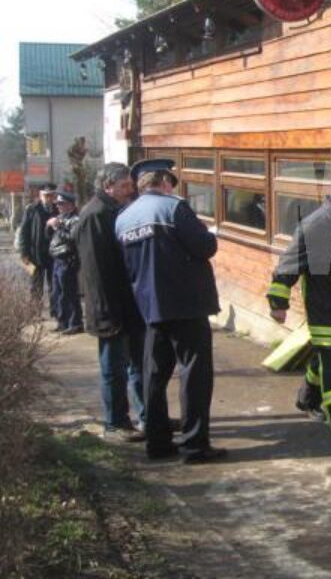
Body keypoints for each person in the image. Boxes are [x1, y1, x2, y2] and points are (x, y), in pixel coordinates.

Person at [115, 158, 226, 464]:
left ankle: (157, 442)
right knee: (194, 375)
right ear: (164, 182)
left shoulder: (123, 218)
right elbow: (205, 247)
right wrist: (208, 233)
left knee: (154, 376)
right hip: (187, 306)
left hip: (150, 309)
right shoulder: (174, 208)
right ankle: (195, 446)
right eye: (170, 181)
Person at [266, 176, 331, 447]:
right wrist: (278, 302)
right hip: (325, 307)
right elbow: (290, 261)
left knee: (329, 357)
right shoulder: (315, 226)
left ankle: (307, 398)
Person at [74, 163, 147, 443]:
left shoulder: (116, 211)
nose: (130, 190)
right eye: (125, 186)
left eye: (130, 185)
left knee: (138, 364)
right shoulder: (95, 215)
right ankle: (115, 422)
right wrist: (107, 313)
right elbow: (94, 272)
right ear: (108, 186)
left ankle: (147, 416)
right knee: (113, 369)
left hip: (128, 306)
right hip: (110, 310)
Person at [19, 183, 58, 316]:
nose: (49, 198)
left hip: (53, 254)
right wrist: (24, 253)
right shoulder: (32, 209)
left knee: (54, 285)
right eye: (46, 195)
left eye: (51, 195)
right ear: (40, 195)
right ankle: (35, 313)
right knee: (36, 286)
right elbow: (24, 232)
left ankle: (55, 311)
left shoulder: (58, 209)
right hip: (35, 255)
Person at [47, 190, 83, 334]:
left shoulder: (75, 220)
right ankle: (62, 321)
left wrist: (58, 226)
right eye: (58, 204)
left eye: (62, 204)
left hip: (67, 260)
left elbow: (72, 239)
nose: (59, 207)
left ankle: (75, 322)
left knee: (68, 292)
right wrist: (51, 226)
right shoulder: (61, 218)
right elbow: (52, 238)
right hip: (57, 260)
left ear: (71, 205)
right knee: (57, 292)